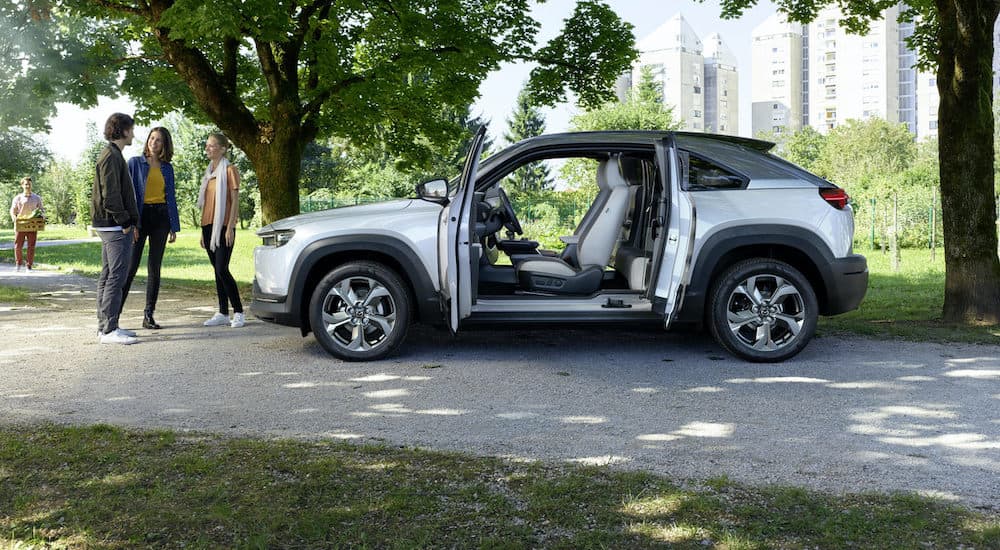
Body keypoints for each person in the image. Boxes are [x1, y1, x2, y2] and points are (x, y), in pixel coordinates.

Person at [122, 127, 180, 330]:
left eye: (159, 140)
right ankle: (114, 315)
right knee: (130, 267)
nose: (154, 143)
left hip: (161, 218)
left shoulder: (167, 168)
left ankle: (148, 315)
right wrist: (131, 223)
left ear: (165, 145)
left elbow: (170, 196)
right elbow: (128, 194)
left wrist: (173, 225)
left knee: (154, 268)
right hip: (140, 216)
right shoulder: (135, 163)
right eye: (152, 138)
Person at [92, 113, 140, 345]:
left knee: (108, 274)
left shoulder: (113, 154)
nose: (133, 134)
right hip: (113, 225)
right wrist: (125, 221)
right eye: (131, 129)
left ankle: (105, 327)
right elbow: (110, 195)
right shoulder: (111, 156)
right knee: (116, 276)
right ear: (122, 130)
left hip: (110, 224)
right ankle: (109, 329)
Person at [198, 133, 245, 328]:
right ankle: (223, 312)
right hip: (208, 226)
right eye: (207, 145)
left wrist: (231, 226)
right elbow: (206, 203)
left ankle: (239, 312)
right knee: (216, 272)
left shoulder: (230, 170)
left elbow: (234, 200)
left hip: (224, 226)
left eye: (212, 145)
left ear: (223, 148)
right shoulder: (209, 173)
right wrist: (202, 232)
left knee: (222, 269)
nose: (207, 148)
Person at [9, 176, 44, 271]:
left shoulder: (37, 198)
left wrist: (42, 216)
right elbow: (12, 210)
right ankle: (18, 264)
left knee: (31, 246)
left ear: (31, 185)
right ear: (22, 185)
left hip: (32, 224)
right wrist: (14, 218)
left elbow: (41, 209)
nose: (27, 186)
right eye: (26, 184)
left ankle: (29, 266)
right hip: (20, 224)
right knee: (18, 246)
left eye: (29, 184)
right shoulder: (18, 198)